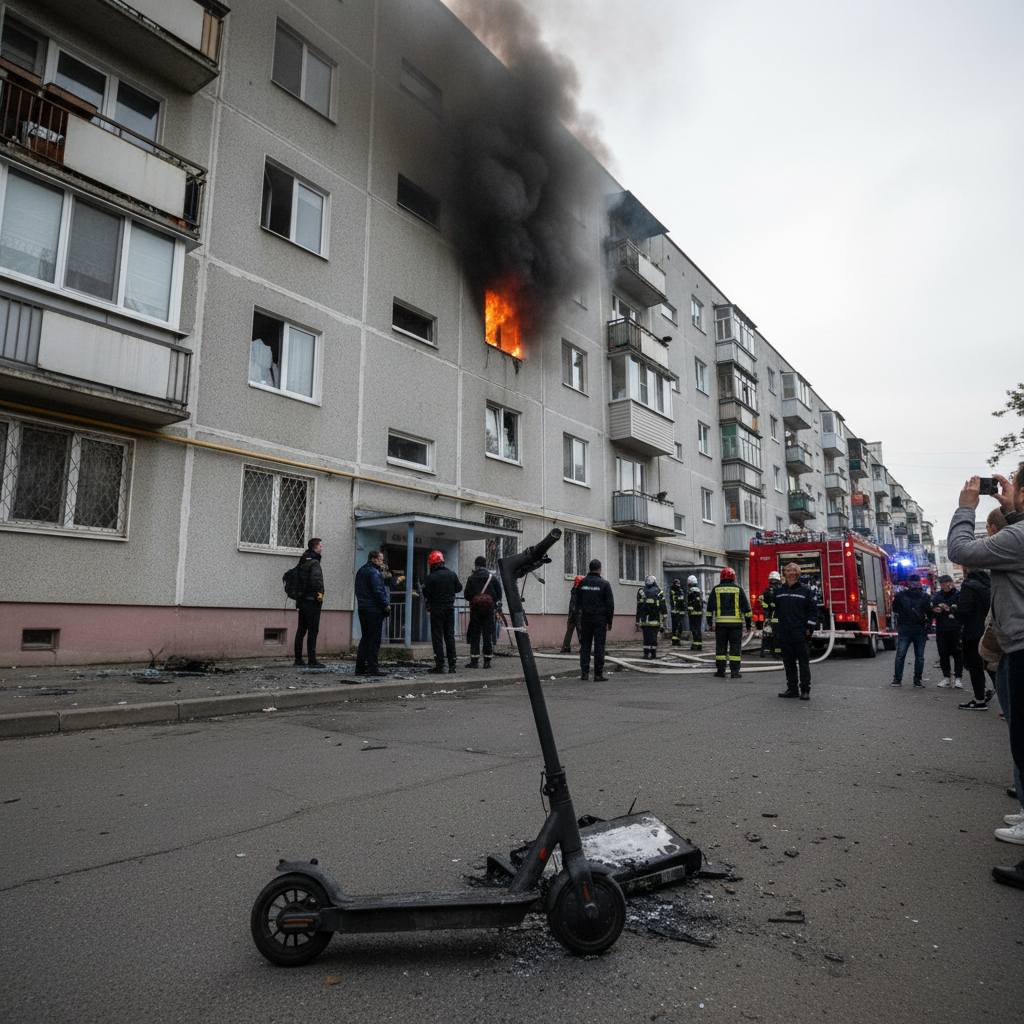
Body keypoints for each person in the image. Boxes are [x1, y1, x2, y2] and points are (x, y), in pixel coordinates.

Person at [946, 469, 1024, 882]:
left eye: (1014, 483)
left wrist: (966, 507)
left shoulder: (1018, 537)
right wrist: (1011, 511)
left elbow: (960, 549)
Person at [775, 562, 818, 700]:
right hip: (785, 632)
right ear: (785, 574)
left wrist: (809, 628)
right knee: (789, 663)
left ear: (798, 574)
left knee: (803, 663)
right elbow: (775, 609)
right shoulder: (779, 591)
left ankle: (805, 690)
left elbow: (813, 611)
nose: (790, 572)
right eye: (787, 570)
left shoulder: (805, 591)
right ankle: (792, 689)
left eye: (793, 570)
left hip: (800, 633)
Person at [953, 567, 991, 709]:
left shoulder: (968, 585)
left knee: (975, 666)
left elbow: (965, 610)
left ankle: (979, 699)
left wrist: (954, 610)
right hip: (990, 631)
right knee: (993, 666)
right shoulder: (989, 583)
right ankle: (1000, 696)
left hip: (973, 633)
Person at [421, 549, 463, 674]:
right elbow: (459, 588)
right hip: (449, 608)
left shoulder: (431, 577)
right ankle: (452, 664)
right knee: (449, 635)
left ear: (432, 564)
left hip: (437, 608)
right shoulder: (452, 574)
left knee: (437, 636)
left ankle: (440, 664)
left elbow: (426, 593)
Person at [707, 567, 751, 679]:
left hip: (721, 625)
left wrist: (709, 623)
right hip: (736, 625)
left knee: (721, 648)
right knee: (735, 648)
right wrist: (749, 626)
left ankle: (720, 671)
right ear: (733, 577)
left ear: (721, 577)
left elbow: (709, 609)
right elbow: (746, 609)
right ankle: (735, 672)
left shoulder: (716, 589)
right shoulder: (738, 589)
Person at [890, 574, 933, 687]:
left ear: (909, 583)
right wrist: (928, 624)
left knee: (900, 655)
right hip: (919, 628)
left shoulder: (901, 595)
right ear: (919, 583)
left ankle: (897, 679)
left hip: (904, 627)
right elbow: (930, 612)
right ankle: (917, 681)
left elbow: (895, 608)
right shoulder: (925, 596)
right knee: (919, 656)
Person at [577, 558, 614, 682]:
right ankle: (598, 674)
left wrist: (579, 618)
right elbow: (610, 604)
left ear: (589, 569)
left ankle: (584, 673)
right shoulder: (604, 584)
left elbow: (577, 602)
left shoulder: (582, 583)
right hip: (600, 619)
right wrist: (609, 621)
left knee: (585, 645)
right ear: (599, 569)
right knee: (599, 646)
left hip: (586, 618)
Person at [354, 549, 390, 677]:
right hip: (373, 609)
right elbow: (378, 591)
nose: (382, 562)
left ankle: (360, 667)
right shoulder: (374, 572)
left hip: (363, 608)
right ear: (374, 559)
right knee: (374, 639)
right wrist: (385, 604)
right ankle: (373, 667)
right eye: (380, 559)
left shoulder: (361, 571)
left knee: (365, 638)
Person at [464, 555, 502, 668]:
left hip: (476, 611)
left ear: (476, 565)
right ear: (485, 565)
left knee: (475, 635)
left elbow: (467, 595)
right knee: (487, 635)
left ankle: (474, 661)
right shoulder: (492, 578)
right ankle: (487, 661)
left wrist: (475, 598)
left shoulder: (471, 578)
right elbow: (499, 594)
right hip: (489, 611)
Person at [293, 538, 326, 668]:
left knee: (301, 630)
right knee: (313, 630)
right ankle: (312, 660)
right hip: (312, 601)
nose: (322, 548)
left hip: (302, 601)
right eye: (320, 545)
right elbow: (316, 581)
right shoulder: (314, 563)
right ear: (315, 547)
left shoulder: (303, 560)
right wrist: (320, 595)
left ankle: (298, 659)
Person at [931, 574, 963, 689]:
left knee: (957, 654)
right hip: (942, 629)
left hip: (956, 629)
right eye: (942, 585)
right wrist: (936, 610)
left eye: (946, 585)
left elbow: (961, 609)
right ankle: (946, 677)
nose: (944, 587)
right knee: (943, 654)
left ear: (951, 583)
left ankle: (958, 677)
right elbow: (932, 610)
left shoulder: (958, 595)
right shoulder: (937, 596)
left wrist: (949, 609)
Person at [636, 575, 667, 660]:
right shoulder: (659, 591)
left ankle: (646, 654)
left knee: (646, 637)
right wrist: (664, 616)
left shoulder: (641, 591)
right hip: (655, 619)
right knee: (654, 636)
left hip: (644, 620)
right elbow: (663, 605)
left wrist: (637, 620)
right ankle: (653, 654)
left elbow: (638, 607)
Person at [760, 570, 782, 658]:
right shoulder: (778, 590)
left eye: (775, 581)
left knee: (771, 635)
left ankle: (772, 651)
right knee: (775, 636)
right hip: (774, 616)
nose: (773, 583)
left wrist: (768, 607)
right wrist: (769, 606)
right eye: (772, 581)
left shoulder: (768, 590)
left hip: (772, 616)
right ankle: (776, 652)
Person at [560, 575, 584, 654]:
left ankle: (565, 647)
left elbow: (572, 604)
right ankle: (583, 647)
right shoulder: (581, 591)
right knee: (580, 630)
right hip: (579, 613)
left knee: (569, 630)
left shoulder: (574, 590)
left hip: (572, 612)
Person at [685, 575, 704, 651]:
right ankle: (699, 644)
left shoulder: (691, 590)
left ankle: (695, 644)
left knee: (694, 629)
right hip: (699, 613)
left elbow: (691, 602)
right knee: (698, 629)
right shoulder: (698, 590)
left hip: (693, 614)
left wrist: (689, 609)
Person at [669, 579, 687, 646]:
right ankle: (674, 640)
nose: (679, 585)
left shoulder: (681, 591)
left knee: (680, 627)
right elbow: (675, 601)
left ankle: (678, 639)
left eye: (679, 583)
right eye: (677, 583)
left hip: (681, 611)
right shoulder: (673, 591)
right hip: (675, 611)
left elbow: (683, 601)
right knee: (675, 626)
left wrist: (684, 608)